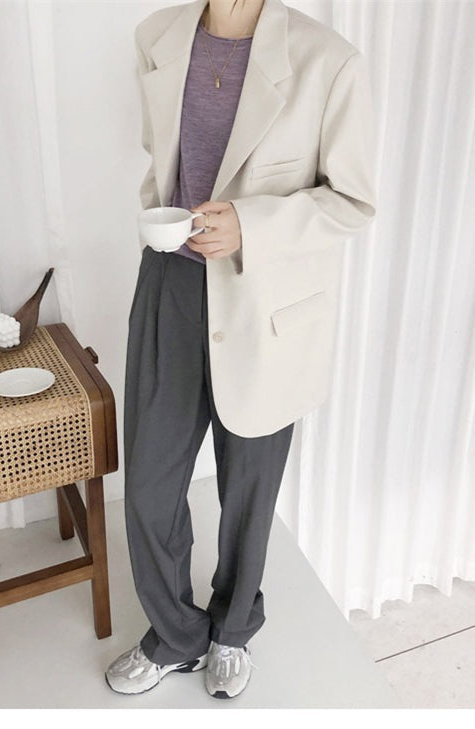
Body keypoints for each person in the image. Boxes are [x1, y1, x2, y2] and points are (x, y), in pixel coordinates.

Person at [106, 0, 377, 700]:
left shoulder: (328, 60)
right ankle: (176, 635)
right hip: (170, 286)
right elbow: (167, 159)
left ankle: (232, 630)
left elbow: (352, 201)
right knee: (150, 482)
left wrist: (251, 225)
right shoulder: (157, 36)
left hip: (265, 299)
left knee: (249, 486)